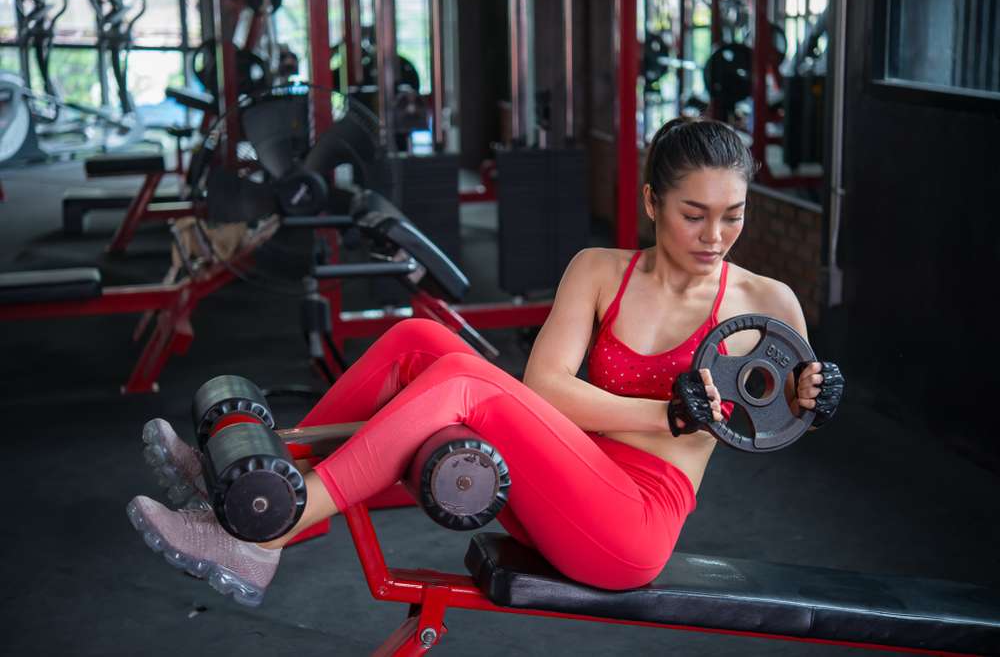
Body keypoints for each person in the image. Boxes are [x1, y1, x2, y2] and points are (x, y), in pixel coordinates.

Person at [127, 117, 844, 606]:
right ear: (653, 202)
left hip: (630, 526)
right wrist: (669, 411)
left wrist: (816, 397)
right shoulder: (601, 270)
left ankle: (264, 529)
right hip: (563, 475)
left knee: (463, 380)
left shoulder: (765, 299)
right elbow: (547, 392)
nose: (716, 234)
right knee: (418, 343)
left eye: (733, 214)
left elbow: (784, 416)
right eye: (695, 213)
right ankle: (261, 476)